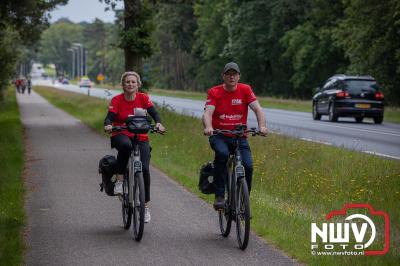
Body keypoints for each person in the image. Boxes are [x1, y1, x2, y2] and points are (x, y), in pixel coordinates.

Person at [202, 62, 268, 210]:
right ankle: (219, 195)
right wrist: (208, 127)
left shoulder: (245, 89)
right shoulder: (214, 92)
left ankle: (244, 200)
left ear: (239, 76)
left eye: (234, 74)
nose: (231, 77)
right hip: (219, 135)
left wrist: (262, 126)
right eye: (228, 74)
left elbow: (258, 109)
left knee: (248, 166)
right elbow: (207, 113)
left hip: (239, 136)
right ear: (223, 76)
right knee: (222, 155)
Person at [104, 71, 166, 223]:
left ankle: (145, 207)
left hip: (140, 135)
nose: (130, 84)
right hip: (121, 133)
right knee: (125, 146)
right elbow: (109, 117)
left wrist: (158, 123)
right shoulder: (117, 99)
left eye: (133, 82)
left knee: (144, 169)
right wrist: (108, 125)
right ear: (123, 85)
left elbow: (155, 113)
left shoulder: (143, 98)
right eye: (127, 82)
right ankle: (119, 181)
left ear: (138, 85)